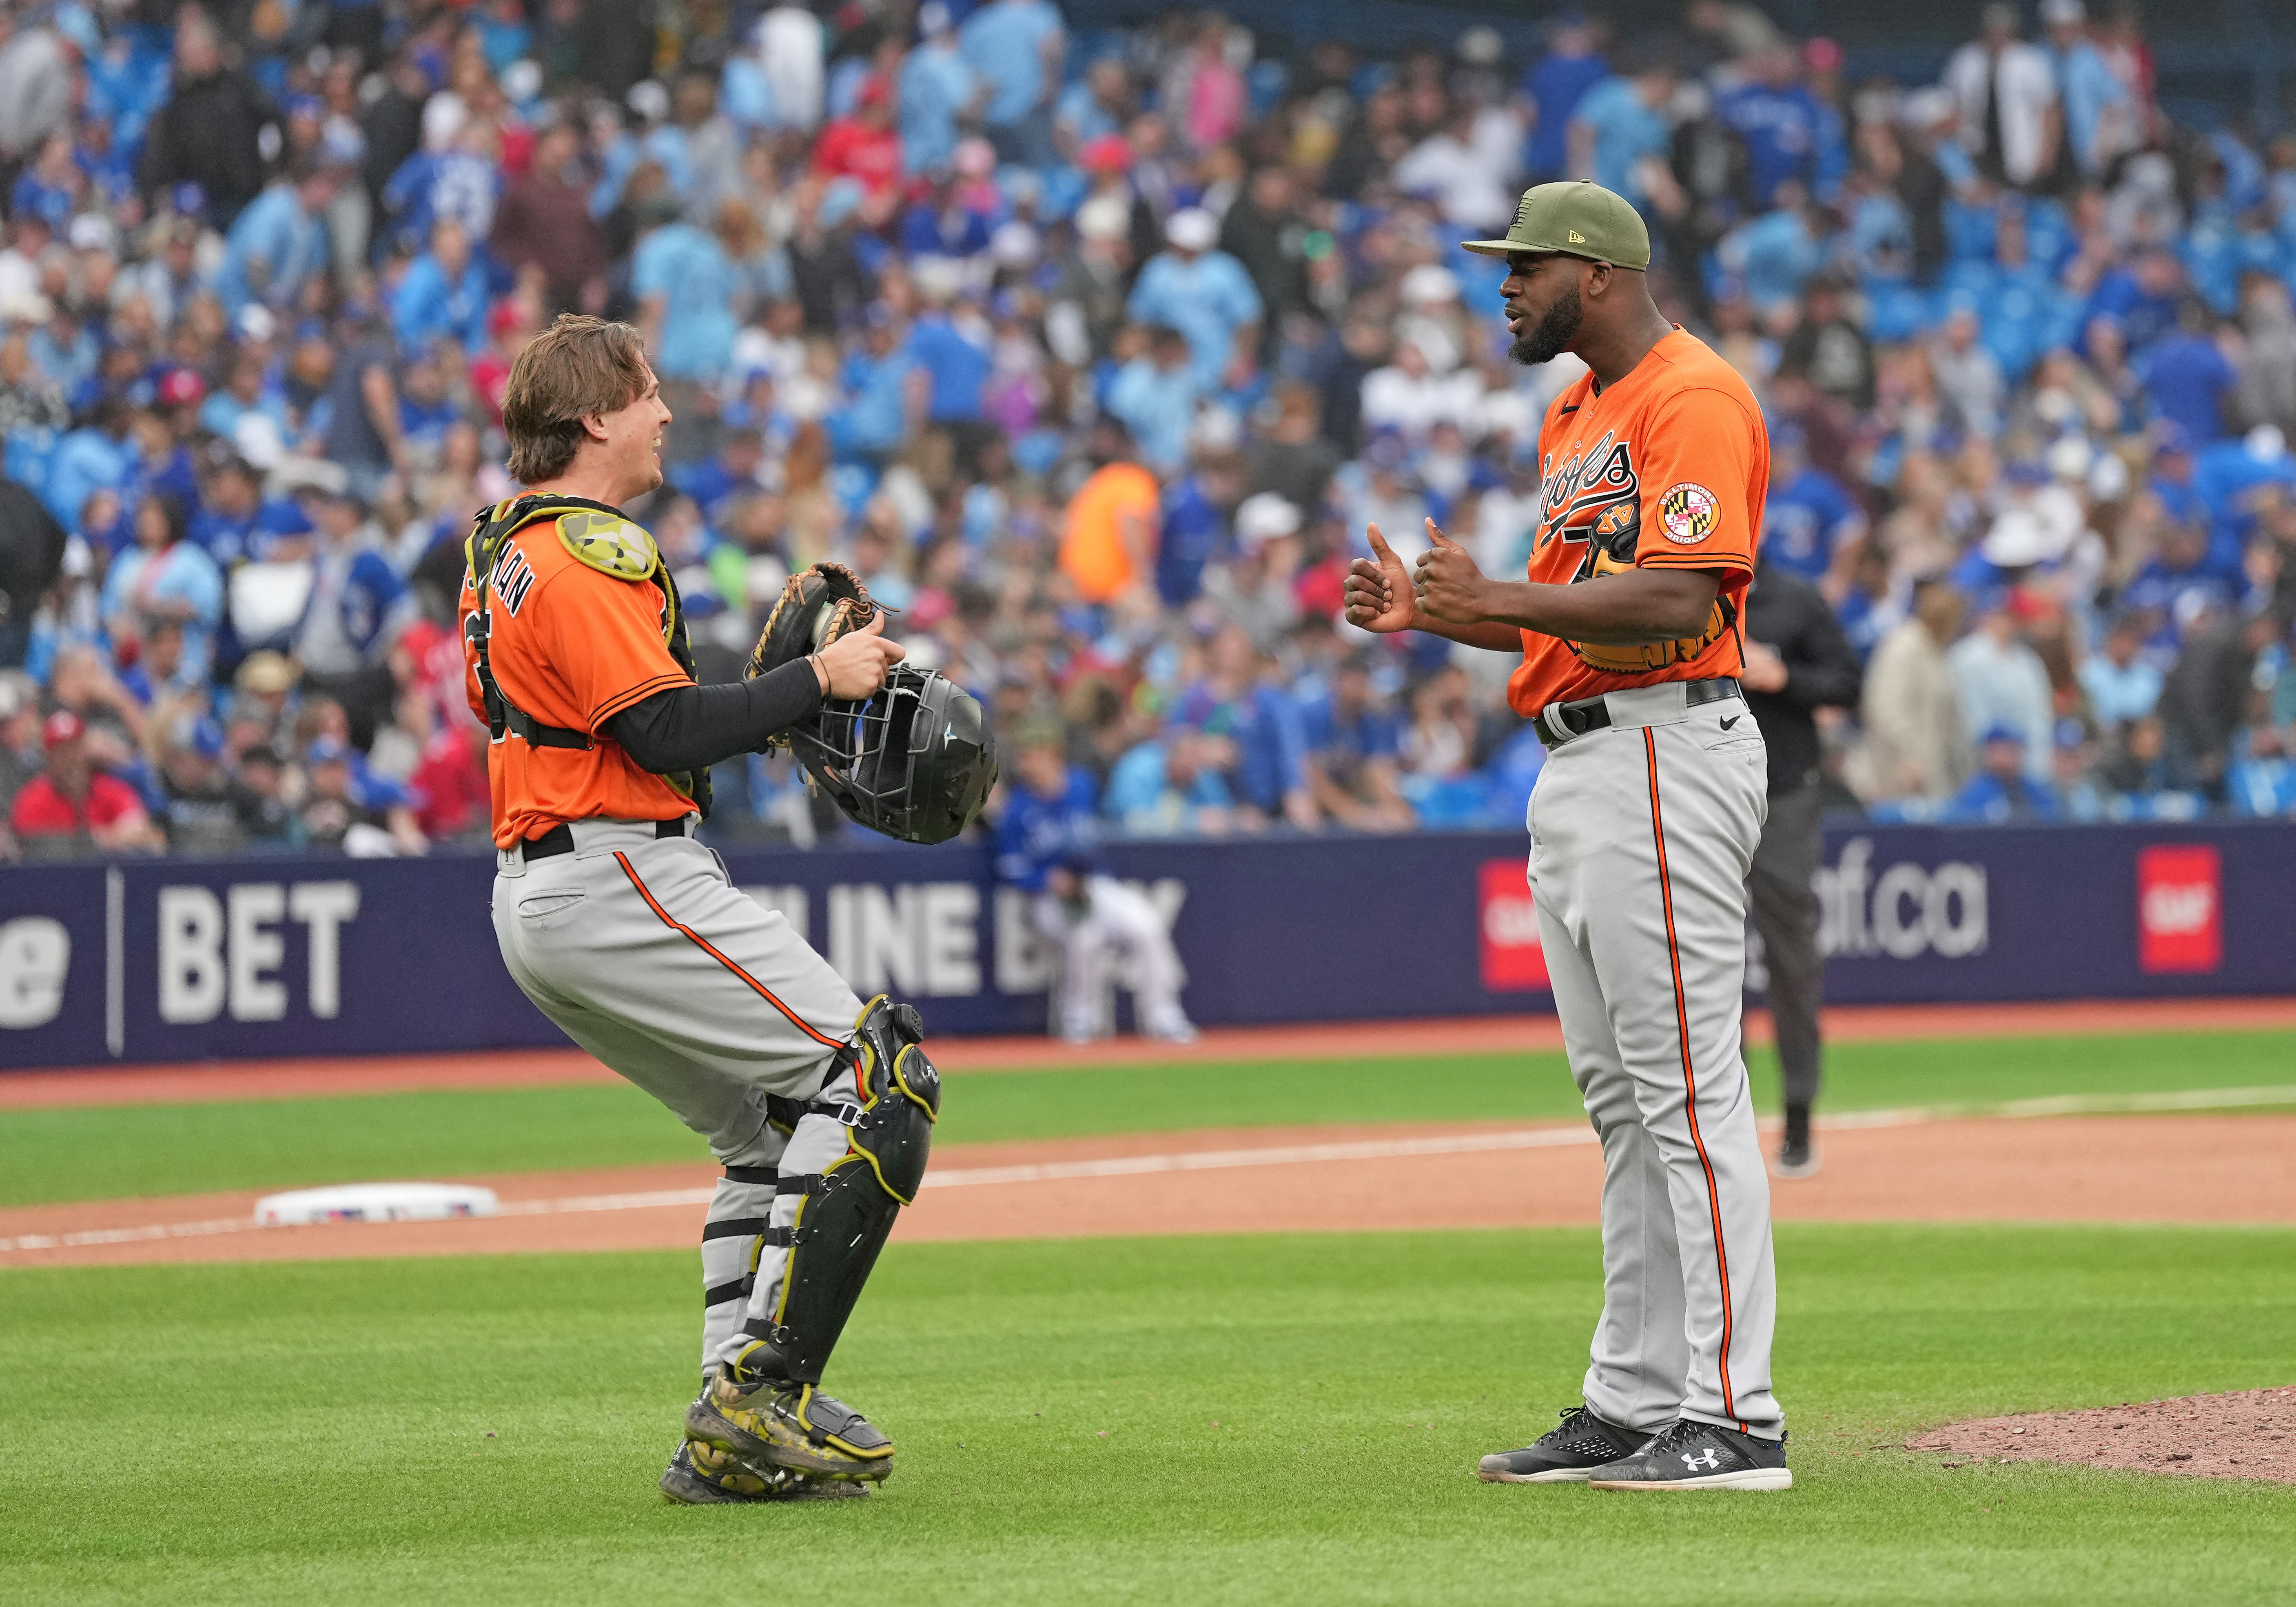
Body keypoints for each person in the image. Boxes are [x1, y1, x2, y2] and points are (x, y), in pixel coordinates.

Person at [1347, 182, 1789, 1491]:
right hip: (1586, 755)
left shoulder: (1687, 395)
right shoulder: (1575, 409)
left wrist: (1496, 593)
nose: (1505, 286)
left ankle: (1733, 1411)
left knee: (1686, 1095)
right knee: (1621, 1102)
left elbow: (1678, 596)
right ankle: (1633, 1392)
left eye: (1523, 265)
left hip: (1662, 740)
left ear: (1595, 273)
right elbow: (1569, 616)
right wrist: (1442, 615)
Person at [462, 314, 917, 1505]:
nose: (665, 411)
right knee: (877, 1076)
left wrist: (752, 685)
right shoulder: (591, 547)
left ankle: (731, 1426)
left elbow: (623, 708)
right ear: (596, 416)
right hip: (615, 870)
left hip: (551, 883)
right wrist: (815, 680)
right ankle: (761, 1394)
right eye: (649, 392)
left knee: (770, 1136)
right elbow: (656, 729)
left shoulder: (508, 546)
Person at [1738, 559, 1862, 1180]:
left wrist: (1782, 675)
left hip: (1782, 794)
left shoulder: (1794, 599)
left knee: (1791, 958)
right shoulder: (1679, 589)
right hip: (1696, 797)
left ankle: (1798, 1119)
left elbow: (1847, 682)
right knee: (1704, 967)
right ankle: (1718, 1125)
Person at [995, 731, 1195, 1044]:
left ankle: (1164, 1016)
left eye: (1032, 757)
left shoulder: (1081, 785)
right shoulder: (1017, 809)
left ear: (1053, 756)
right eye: (1023, 758)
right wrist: (1046, 878)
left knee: (1148, 926)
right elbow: (1010, 867)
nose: (1026, 766)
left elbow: (1088, 841)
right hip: (1049, 898)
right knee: (1084, 937)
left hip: (1095, 884)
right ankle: (1080, 1018)